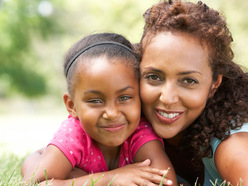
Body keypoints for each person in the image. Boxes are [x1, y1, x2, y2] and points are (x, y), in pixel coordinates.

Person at [21, 33, 177, 186]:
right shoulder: (74, 135)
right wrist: (109, 179)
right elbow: (34, 183)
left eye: (124, 98)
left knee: (71, 175)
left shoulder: (140, 131)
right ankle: (39, 155)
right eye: (95, 100)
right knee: (37, 162)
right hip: (45, 157)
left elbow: (166, 181)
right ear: (71, 105)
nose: (111, 113)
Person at [139, 0, 248, 185]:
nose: (167, 97)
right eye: (154, 77)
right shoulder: (120, 120)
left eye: (189, 81)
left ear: (214, 84)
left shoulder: (233, 144)